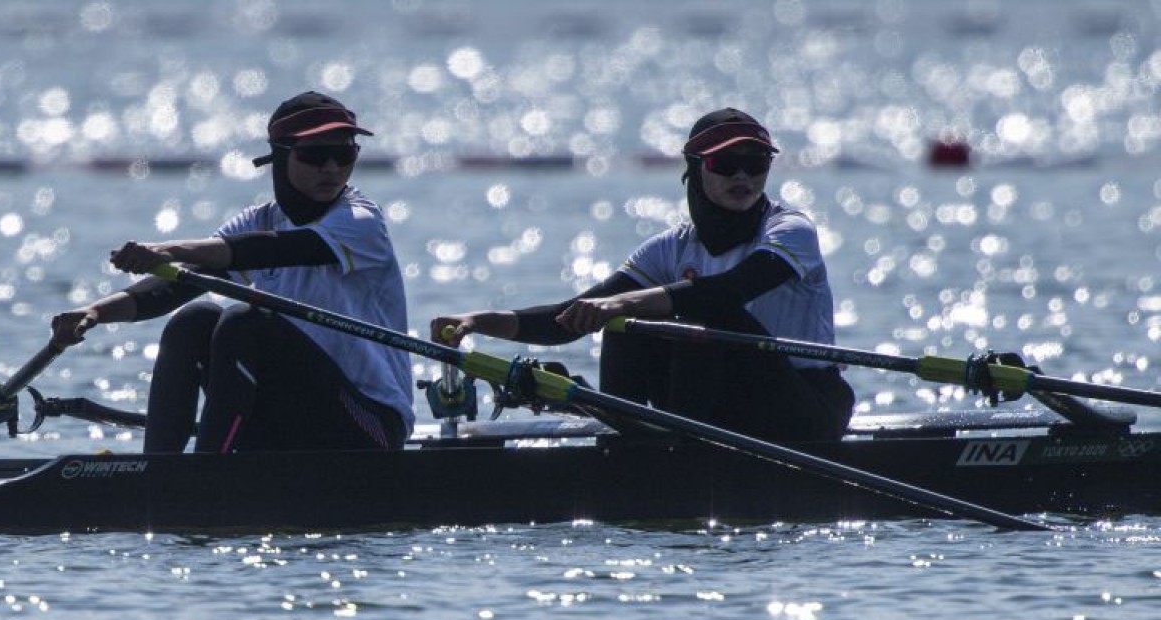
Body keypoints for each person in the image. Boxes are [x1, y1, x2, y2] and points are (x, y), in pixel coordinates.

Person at [431, 108, 854, 441]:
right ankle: (628, 433)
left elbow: (728, 292)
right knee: (624, 321)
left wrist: (621, 304)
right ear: (696, 167)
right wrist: (477, 321)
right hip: (727, 405)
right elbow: (570, 316)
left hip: (807, 407)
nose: (743, 175)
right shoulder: (671, 247)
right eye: (726, 163)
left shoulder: (790, 229)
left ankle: (669, 449)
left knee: (699, 315)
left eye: (756, 162)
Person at [52, 91, 413, 453]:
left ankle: (208, 473)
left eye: (344, 154)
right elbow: (174, 287)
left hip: (371, 426)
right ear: (280, 155)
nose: (332, 168)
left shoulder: (360, 221)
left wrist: (168, 249)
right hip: (294, 418)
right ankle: (159, 472)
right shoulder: (260, 220)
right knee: (193, 321)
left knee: (244, 322)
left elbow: (274, 249)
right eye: (316, 155)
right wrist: (94, 313)